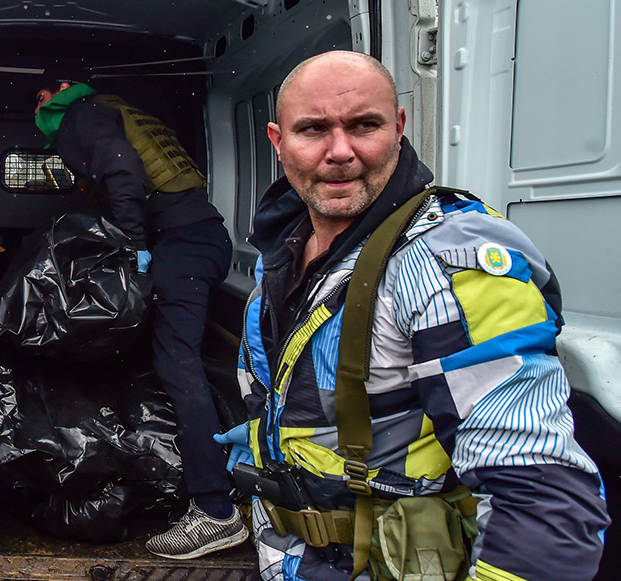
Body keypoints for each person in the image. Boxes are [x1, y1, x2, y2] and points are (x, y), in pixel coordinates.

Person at [223, 49, 609, 580]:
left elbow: (541, 502)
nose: (340, 151)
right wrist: (265, 436)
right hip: (294, 557)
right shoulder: (287, 249)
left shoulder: (447, 262)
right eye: (313, 130)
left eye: (364, 125)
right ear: (278, 140)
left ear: (399, 127)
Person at [34, 66, 247, 559]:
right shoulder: (118, 109)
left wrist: (132, 243)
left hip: (181, 242)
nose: (38, 108)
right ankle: (227, 470)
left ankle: (216, 509)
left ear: (64, 89)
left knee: (177, 361)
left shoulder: (78, 115)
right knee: (181, 352)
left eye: (42, 95)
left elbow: (122, 166)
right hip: (206, 235)